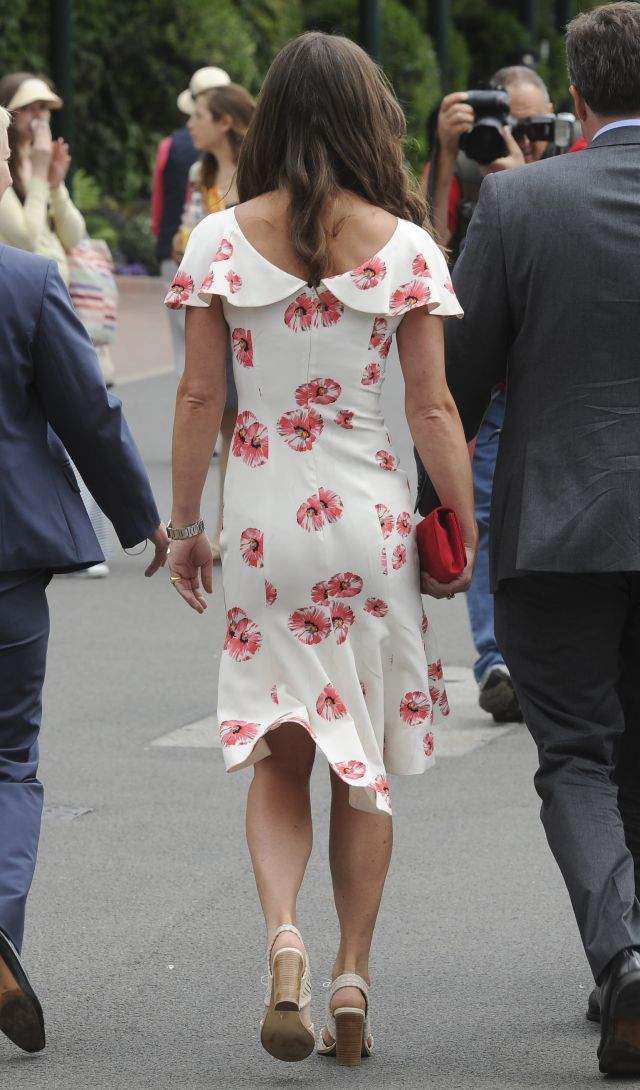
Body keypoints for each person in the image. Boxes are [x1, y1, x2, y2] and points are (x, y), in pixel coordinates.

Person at [164, 31, 476, 1066]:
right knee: (365, 765)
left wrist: (182, 527)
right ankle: (350, 976)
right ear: (365, 120)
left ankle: (283, 938)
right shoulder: (406, 246)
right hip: (368, 517)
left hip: (261, 515)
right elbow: (430, 408)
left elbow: (202, 395)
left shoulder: (217, 242)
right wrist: (462, 518)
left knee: (279, 744)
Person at [418, 2, 640, 1075]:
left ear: (576, 100)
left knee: (578, 758)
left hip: (556, 524)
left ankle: (623, 954)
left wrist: (432, 510)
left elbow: (454, 386)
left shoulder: (518, 203)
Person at [0, 105, 168, 1054]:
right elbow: (92, 415)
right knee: (6, 757)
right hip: (7, 560)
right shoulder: (25, 282)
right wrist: (146, 522)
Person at [424, 67, 557, 724]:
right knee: (478, 510)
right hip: (494, 378)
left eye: (534, 127)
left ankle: (546, 652)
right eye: (508, 126)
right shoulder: (470, 183)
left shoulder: (579, 169)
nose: (522, 141)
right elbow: (423, 251)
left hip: (557, 375)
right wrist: (447, 156)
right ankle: (494, 657)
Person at [171, 83, 255, 562]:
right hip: (206, 300)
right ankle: (220, 523)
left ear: (225, 121)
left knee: (242, 420)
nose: (190, 123)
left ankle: (230, 523)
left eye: (199, 114)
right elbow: (189, 223)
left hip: (243, 303)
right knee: (219, 417)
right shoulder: (198, 171)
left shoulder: (257, 172)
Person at [152, 66, 230, 375]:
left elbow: (160, 201)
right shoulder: (207, 164)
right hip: (202, 259)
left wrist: (162, 235)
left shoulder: (170, 145)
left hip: (182, 256)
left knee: (187, 347)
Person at [0, 73, 85, 281]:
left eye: (43, 107)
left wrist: (56, 185)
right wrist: (39, 173)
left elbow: (74, 236)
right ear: (10, 113)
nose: (38, 115)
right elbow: (26, 240)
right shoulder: (4, 168)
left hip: (53, 288)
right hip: (24, 291)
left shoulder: (38, 160)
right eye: (29, 108)